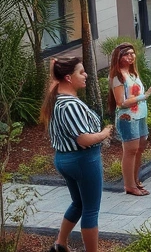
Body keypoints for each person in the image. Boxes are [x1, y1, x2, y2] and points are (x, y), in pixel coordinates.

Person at [42, 57, 113, 252]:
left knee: (79, 203)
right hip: (83, 160)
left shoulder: (56, 98)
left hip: (64, 159)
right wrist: (104, 133)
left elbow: (54, 82)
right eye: (81, 72)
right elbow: (83, 140)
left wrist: (53, 70)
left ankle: (60, 244)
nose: (86, 75)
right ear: (68, 77)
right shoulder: (70, 105)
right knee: (91, 209)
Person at [107, 42, 151, 196]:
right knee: (130, 150)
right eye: (126, 54)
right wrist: (146, 95)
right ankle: (129, 185)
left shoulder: (133, 73)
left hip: (140, 115)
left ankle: (135, 180)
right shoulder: (117, 77)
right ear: (118, 57)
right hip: (127, 117)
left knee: (140, 148)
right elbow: (121, 102)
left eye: (132, 53)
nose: (130, 56)